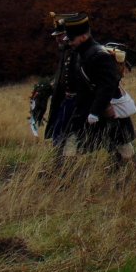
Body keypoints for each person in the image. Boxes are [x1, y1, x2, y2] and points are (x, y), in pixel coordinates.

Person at [66, 14, 133, 168]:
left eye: (72, 39)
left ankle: (129, 174)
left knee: (123, 148)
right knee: (71, 146)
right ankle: (68, 176)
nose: (70, 42)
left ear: (83, 37)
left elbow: (108, 85)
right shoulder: (80, 54)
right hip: (86, 111)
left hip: (103, 111)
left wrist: (95, 112)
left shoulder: (99, 55)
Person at [42, 13, 84, 164]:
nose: (57, 39)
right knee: (59, 133)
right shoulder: (65, 51)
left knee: (70, 134)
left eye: (60, 35)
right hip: (66, 100)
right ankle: (61, 164)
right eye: (57, 36)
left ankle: (67, 165)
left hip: (77, 102)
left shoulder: (78, 52)